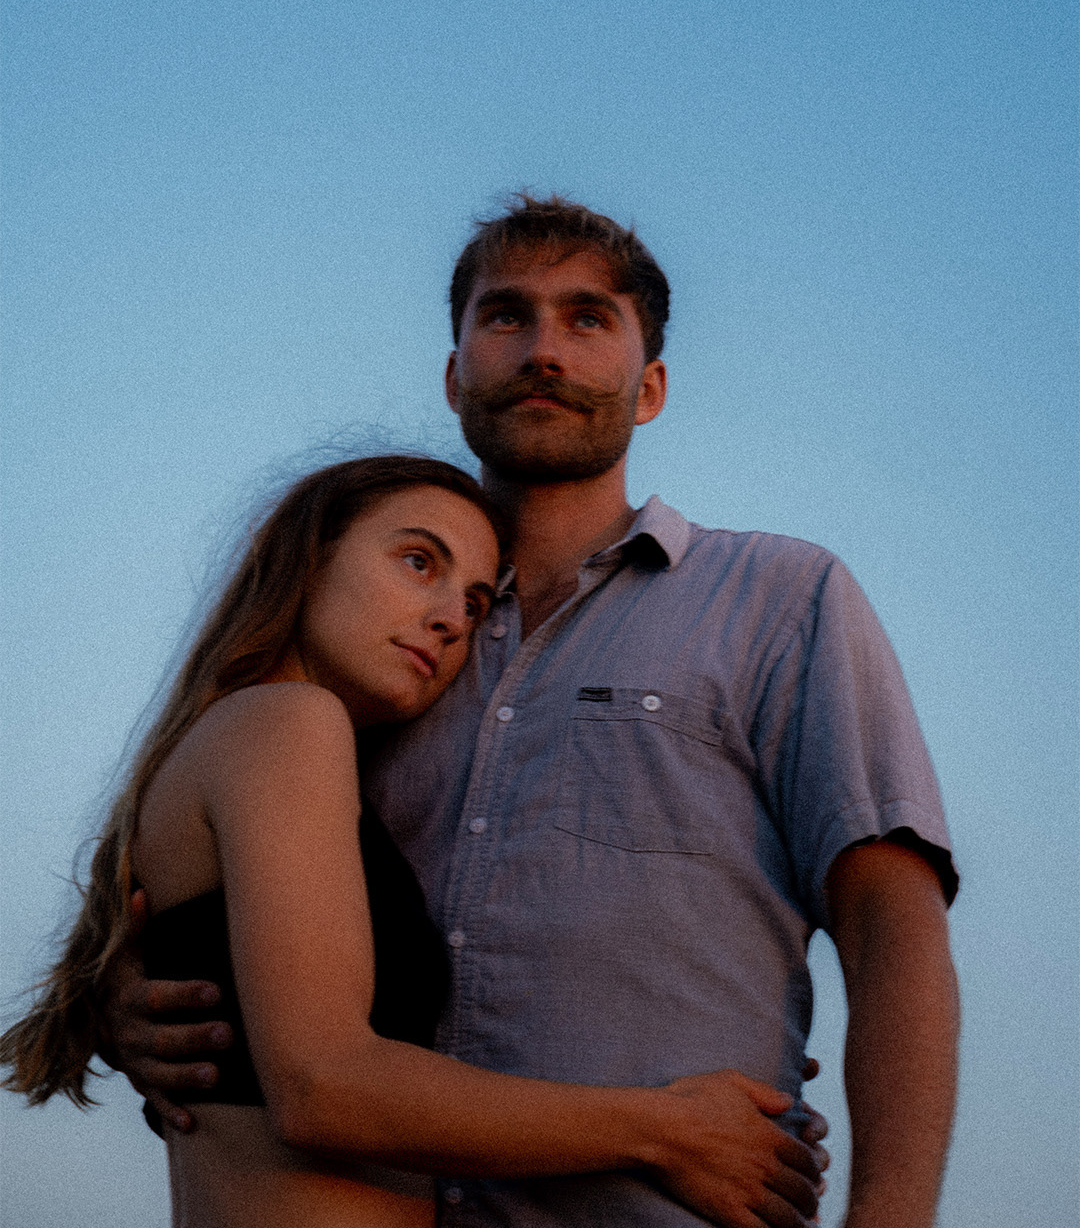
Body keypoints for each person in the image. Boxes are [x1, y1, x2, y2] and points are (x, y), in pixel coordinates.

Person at [103, 195, 959, 1228]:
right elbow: (264, 959)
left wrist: (890, 1216)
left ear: (649, 388)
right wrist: (139, 1005)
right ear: (455, 375)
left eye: (588, 318)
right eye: (506, 315)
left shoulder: (780, 598)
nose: (544, 349)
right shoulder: (379, 664)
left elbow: (892, 923)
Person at [2, 455, 830, 1228]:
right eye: (418, 562)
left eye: (474, 603)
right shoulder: (288, 722)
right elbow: (324, 1087)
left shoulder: (258, 752)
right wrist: (672, 1130)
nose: (447, 620)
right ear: (308, 557)